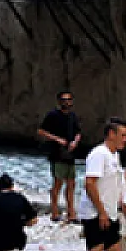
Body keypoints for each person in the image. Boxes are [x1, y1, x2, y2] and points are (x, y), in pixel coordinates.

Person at [80, 118, 126, 251]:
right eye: (122, 135)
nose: (125, 139)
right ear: (111, 134)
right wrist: (101, 212)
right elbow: (89, 183)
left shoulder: (114, 155)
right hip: (95, 214)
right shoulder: (98, 154)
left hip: (111, 213)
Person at [36, 90, 83, 222]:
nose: (66, 102)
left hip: (70, 153)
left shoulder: (73, 116)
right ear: (59, 101)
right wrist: (57, 139)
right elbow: (41, 131)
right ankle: (55, 212)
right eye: (63, 100)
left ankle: (71, 213)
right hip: (57, 153)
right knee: (58, 183)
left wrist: (75, 142)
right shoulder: (53, 115)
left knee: (72, 183)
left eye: (68, 100)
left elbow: (78, 132)